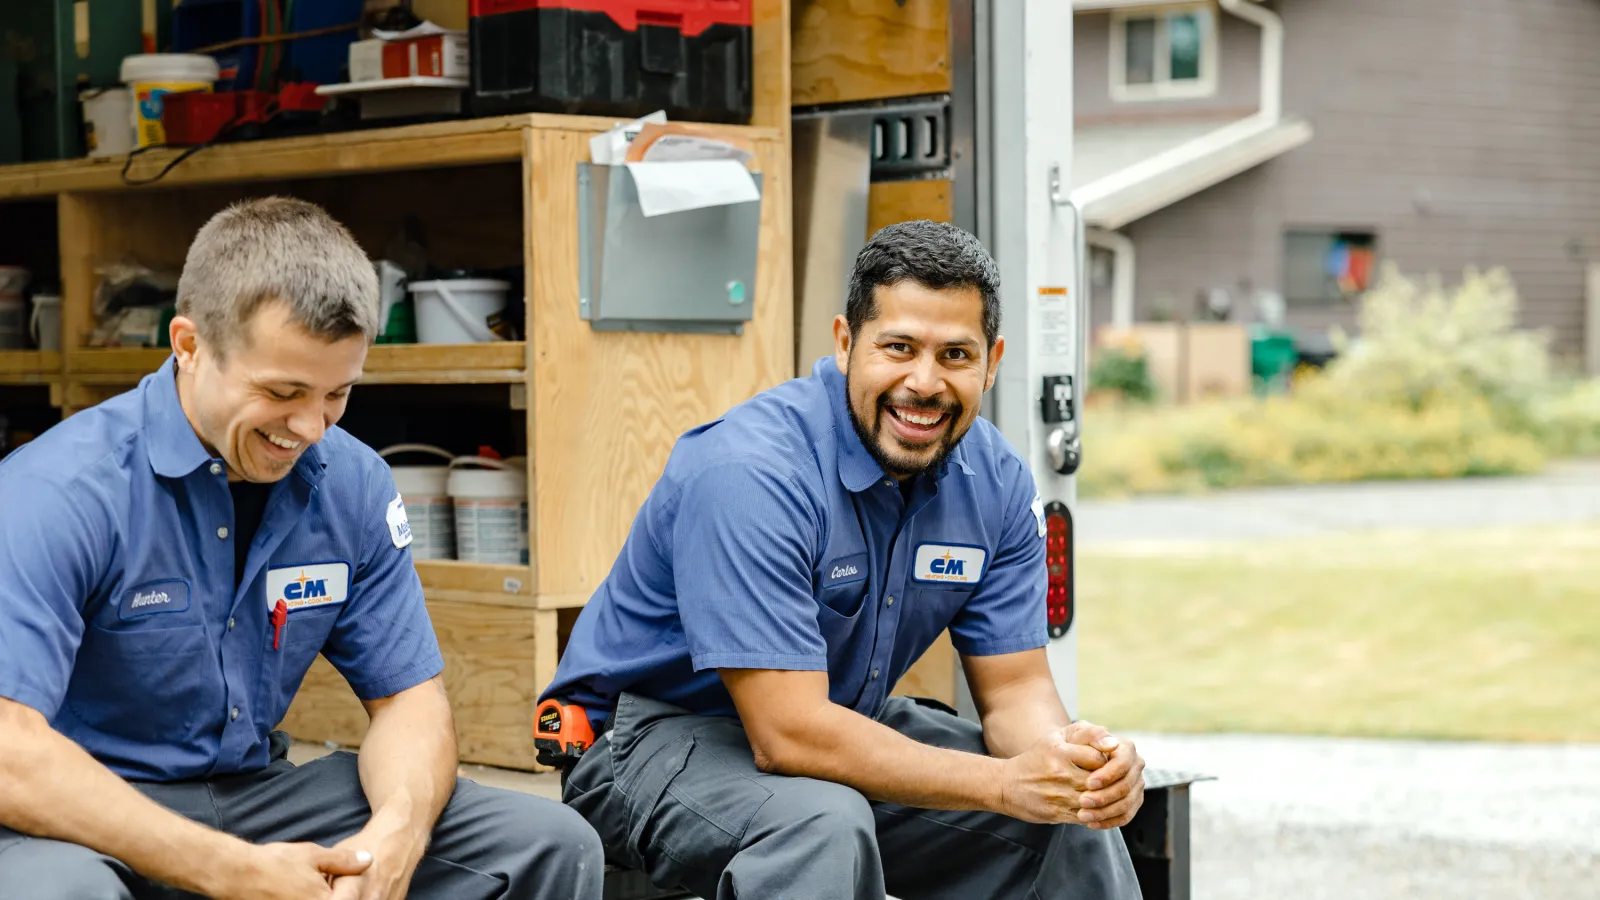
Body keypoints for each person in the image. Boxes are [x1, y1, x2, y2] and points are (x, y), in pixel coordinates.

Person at [0, 197, 604, 900]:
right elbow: (11, 754)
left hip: (255, 797)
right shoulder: (56, 491)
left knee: (546, 844)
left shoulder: (350, 483)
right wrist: (232, 871)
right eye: (282, 391)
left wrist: (394, 839)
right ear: (189, 346)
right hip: (77, 815)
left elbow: (410, 702)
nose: (311, 427)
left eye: (337, 394)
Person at [543, 220, 1146, 899]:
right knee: (823, 823)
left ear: (992, 361)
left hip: (836, 718)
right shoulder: (753, 472)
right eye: (898, 348)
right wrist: (1006, 785)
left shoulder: (995, 480)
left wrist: (1070, 765)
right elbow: (788, 735)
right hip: (646, 739)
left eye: (955, 355)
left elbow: (1014, 691)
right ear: (844, 343)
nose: (925, 383)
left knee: (1070, 816)